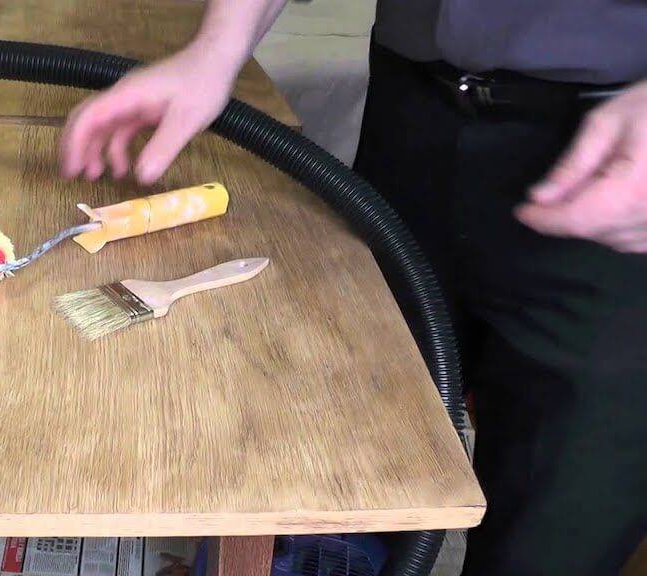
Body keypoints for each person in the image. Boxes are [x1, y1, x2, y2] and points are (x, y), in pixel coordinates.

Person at [58, 1, 647, 574]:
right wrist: (217, 49)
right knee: (347, 457)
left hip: (617, 166)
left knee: (556, 524)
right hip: (415, 108)